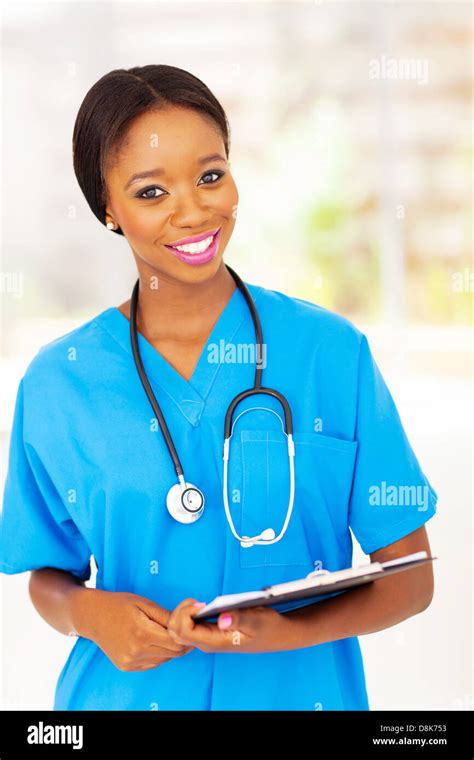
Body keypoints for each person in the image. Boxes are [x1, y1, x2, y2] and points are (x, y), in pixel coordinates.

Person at [0, 64, 437, 711]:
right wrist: (92, 616)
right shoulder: (60, 382)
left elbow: (412, 577)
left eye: (211, 176)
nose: (194, 210)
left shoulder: (330, 353)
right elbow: (48, 577)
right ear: (107, 208)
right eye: (151, 192)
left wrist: (289, 631)